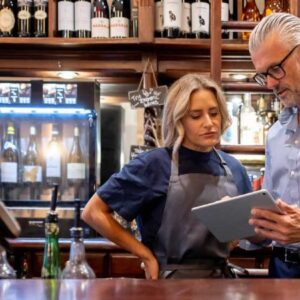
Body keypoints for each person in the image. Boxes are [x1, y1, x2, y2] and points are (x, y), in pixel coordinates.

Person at [82, 73, 251, 279]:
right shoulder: (154, 165)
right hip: (168, 283)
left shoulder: (234, 168)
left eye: (214, 113)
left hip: (221, 283)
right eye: (196, 116)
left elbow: (248, 231)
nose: (209, 123)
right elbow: (93, 212)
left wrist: (238, 234)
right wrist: (146, 256)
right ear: (178, 119)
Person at [247, 12, 300, 278]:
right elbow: (272, 216)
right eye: (262, 75)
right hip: (280, 268)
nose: (269, 84)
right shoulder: (276, 134)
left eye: (275, 69)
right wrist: (249, 224)